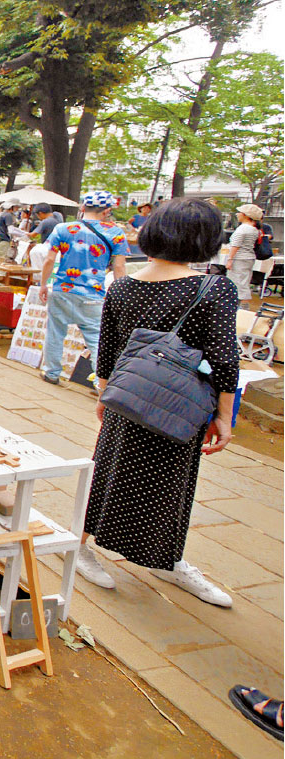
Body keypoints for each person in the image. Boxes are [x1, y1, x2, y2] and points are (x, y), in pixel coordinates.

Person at [76, 197, 238, 608]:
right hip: (181, 405)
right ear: (205, 241)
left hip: (125, 399)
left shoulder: (123, 286)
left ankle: (83, 546)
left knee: (109, 474)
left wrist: (105, 396)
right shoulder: (214, 288)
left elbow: (107, 351)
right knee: (172, 480)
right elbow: (223, 358)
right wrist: (224, 415)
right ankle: (167, 557)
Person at [37, 191, 128, 386]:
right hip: (94, 294)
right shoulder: (116, 233)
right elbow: (119, 267)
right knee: (96, 339)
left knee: (55, 332)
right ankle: (100, 383)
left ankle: (52, 372)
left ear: (82, 208)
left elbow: (49, 260)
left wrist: (43, 284)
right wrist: (123, 296)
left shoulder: (63, 229)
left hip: (62, 289)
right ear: (107, 211)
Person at [226, 203, 263, 303]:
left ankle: (240, 307)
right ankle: (243, 306)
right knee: (244, 282)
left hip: (239, 258)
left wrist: (230, 259)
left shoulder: (243, 229)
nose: (237, 214)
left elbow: (236, 245)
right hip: (248, 257)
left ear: (246, 215)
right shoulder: (255, 229)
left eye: (239, 212)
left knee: (237, 283)